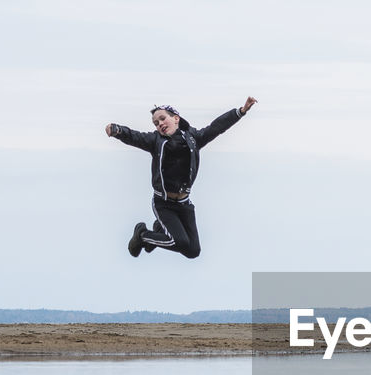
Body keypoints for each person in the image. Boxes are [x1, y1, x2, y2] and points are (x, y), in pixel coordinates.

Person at [104, 97, 257, 258]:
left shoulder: (193, 138)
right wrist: (117, 130)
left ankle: (157, 233)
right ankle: (142, 235)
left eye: (163, 119)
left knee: (193, 251)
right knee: (179, 242)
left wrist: (240, 112)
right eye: (156, 123)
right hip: (164, 203)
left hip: (184, 203)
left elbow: (216, 127)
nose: (160, 124)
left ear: (176, 118)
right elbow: (134, 136)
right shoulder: (155, 141)